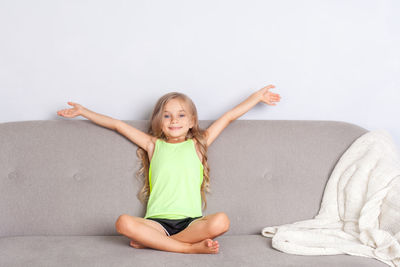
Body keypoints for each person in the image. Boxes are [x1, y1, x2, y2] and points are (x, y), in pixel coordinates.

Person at [56, 85, 281, 254]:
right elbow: (117, 125)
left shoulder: (198, 145)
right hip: (156, 223)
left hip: (191, 223)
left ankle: (157, 244)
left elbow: (229, 117)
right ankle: (187, 249)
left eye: (181, 115)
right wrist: (84, 111)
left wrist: (256, 98)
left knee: (221, 221)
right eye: (167, 115)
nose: (174, 120)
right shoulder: (153, 146)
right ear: (159, 121)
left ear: (192, 121)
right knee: (123, 222)